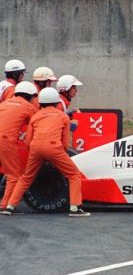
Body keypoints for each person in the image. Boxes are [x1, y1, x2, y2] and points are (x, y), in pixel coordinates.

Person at [4, 88, 90, 217]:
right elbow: (65, 142)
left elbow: (28, 141)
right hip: (53, 147)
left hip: (35, 148)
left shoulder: (36, 116)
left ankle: (10, 206)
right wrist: (58, 155)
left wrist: (35, 152)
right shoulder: (63, 116)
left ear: (41, 102)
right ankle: (75, 208)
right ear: (56, 102)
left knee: (26, 178)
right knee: (74, 175)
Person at [0, 82, 37, 213]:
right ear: (30, 96)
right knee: (14, 175)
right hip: (5, 141)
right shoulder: (28, 106)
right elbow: (38, 122)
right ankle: (5, 205)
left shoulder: (4, 104)